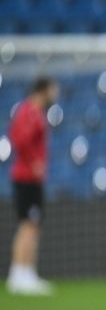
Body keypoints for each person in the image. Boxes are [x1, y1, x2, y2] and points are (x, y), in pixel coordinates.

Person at [5, 77, 59, 296]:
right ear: (43, 90)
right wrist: (34, 162)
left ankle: (27, 273)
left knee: (33, 225)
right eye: (53, 89)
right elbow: (20, 139)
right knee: (27, 225)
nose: (55, 93)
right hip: (26, 177)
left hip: (31, 179)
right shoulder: (29, 111)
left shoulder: (34, 112)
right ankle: (18, 273)